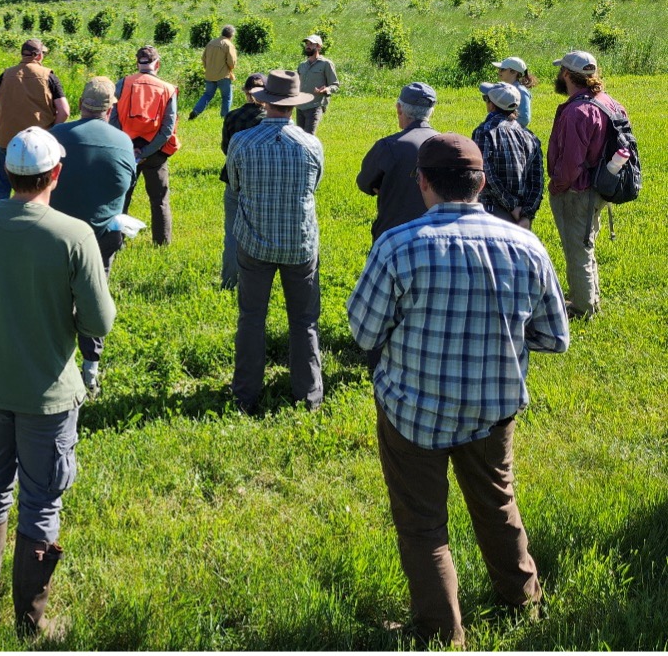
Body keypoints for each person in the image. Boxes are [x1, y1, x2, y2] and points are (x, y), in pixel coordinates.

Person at [347, 133, 570, 647]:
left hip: (412, 409)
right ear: (482, 182)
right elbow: (554, 336)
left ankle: (440, 630)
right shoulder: (526, 245)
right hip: (494, 409)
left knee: (423, 526)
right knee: (497, 506)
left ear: (422, 182)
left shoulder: (399, 246)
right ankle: (523, 602)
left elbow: (364, 331)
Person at [0, 126, 116, 638]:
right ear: (55, 174)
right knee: (42, 499)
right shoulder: (73, 234)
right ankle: (29, 622)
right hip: (50, 395)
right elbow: (100, 323)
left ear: (7, 173)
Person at [226, 70, 324, 414]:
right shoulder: (312, 144)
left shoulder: (242, 142)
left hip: (254, 242)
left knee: (251, 317)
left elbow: (235, 188)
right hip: (300, 242)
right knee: (304, 320)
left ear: (265, 102)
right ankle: (309, 396)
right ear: (294, 106)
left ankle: (245, 395)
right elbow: (314, 187)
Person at [49, 77, 136, 397]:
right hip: (102, 235)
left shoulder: (55, 136)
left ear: (81, 102)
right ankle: (90, 369)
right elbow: (128, 185)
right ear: (111, 107)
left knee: (56, 296)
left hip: (57, 233)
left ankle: (54, 362)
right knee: (93, 297)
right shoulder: (123, 141)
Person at [547, 50, 627, 319]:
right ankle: (590, 297)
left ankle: (582, 308)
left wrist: (557, 186)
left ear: (568, 75)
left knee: (577, 249)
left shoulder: (576, 112)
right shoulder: (610, 102)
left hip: (576, 191)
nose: (559, 76)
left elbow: (570, 163)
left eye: (561, 71)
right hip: (601, 187)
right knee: (586, 242)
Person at [110, 45, 179, 245]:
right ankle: (162, 243)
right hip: (156, 152)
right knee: (159, 199)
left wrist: (129, 148)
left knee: (120, 198)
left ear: (137, 62)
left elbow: (113, 119)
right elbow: (168, 129)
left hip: (126, 150)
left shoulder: (123, 83)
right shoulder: (168, 89)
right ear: (157, 64)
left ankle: (116, 240)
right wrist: (148, 151)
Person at [0, 39, 70, 203]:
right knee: (39, 190)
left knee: (2, 188)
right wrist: (52, 133)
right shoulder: (49, 76)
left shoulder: (5, 75)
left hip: (6, 141)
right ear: (38, 56)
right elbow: (65, 111)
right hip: (39, 144)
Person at [356, 82, 439, 240]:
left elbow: (365, 183)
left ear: (399, 108)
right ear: (431, 112)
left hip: (394, 236)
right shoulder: (446, 145)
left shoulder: (388, 146)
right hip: (435, 236)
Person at [218, 72, 266, 291]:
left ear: (245, 92)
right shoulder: (269, 120)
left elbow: (226, 147)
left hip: (234, 179)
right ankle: (257, 282)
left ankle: (229, 280)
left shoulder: (233, 116)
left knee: (232, 234)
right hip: (262, 182)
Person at [474, 82, 544, 228]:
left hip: (490, 212)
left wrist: (511, 206)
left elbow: (486, 173)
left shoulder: (484, 132)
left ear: (491, 105)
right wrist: (526, 214)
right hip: (521, 219)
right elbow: (537, 181)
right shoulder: (530, 137)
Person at [295, 34, 339, 135]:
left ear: (319, 47)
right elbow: (296, 84)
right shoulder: (302, 65)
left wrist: (326, 90)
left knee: (309, 137)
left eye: (311, 44)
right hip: (300, 107)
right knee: (299, 137)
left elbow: (335, 85)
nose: (307, 46)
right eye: (306, 43)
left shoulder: (326, 64)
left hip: (315, 106)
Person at [191, 25, 237, 120]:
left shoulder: (211, 42)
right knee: (227, 97)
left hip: (209, 75)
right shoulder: (228, 45)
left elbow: (203, 58)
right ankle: (225, 117)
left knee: (207, 95)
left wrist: (208, 68)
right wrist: (231, 68)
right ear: (231, 35)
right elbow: (231, 63)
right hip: (223, 75)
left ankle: (195, 111)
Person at [493, 57, 538, 128]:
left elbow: (524, 119)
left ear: (514, 72)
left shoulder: (521, 92)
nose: (499, 72)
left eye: (502, 69)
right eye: (499, 69)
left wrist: (508, 126)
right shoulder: (503, 88)